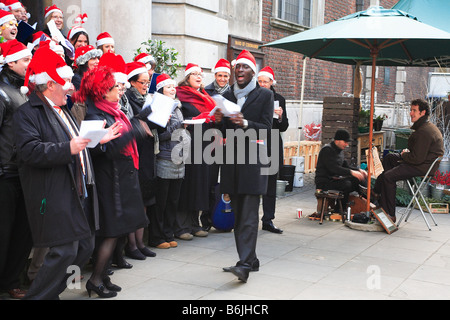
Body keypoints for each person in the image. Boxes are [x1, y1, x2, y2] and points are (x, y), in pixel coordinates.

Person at [14, 46, 117, 300]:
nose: (72, 87)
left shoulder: (63, 109)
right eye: (66, 82)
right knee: (65, 250)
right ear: (50, 85)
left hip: (76, 189)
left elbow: (77, 144)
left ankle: (51, 292)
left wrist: (97, 140)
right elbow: (29, 152)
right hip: (53, 192)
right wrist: (67, 147)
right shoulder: (27, 114)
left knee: (84, 247)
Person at [72, 65, 151, 298]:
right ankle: (95, 280)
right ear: (102, 92)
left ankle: (103, 277)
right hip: (110, 180)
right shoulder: (96, 114)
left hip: (121, 178)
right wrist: (135, 131)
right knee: (111, 232)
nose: (120, 90)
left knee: (116, 231)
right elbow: (103, 150)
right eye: (115, 87)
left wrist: (139, 121)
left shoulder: (112, 110)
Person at [216, 50, 274, 283]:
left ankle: (244, 264)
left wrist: (246, 122)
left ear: (253, 71)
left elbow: (268, 127)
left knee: (249, 215)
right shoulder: (227, 94)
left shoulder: (264, 95)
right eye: (237, 67)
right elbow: (222, 131)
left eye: (244, 68)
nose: (239, 71)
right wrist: (217, 120)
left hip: (253, 160)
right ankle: (253, 259)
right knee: (239, 215)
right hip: (232, 160)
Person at [373, 99, 444, 222]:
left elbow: (416, 158)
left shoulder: (424, 132)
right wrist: (405, 154)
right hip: (421, 161)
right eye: (411, 110)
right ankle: (378, 194)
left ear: (423, 113)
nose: (411, 113)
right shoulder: (425, 126)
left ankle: (390, 214)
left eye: (414, 111)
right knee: (389, 158)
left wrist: (405, 154)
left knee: (389, 176)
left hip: (422, 166)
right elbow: (418, 154)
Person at [0, 39, 32, 299]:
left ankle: (12, 279)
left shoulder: (23, 90)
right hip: (5, 174)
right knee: (4, 232)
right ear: (11, 62)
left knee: (23, 231)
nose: (28, 64)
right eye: (25, 60)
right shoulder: (2, 92)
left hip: (24, 172)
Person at [175, 63, 217, 240]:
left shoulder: (205, 95)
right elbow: (179, 119)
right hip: (188, 143)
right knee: (188, 184)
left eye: (200, 74)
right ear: (187, 78)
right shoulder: (180, 95)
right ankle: (182, 226)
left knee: (200, 184)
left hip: (205, 143)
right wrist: (195, 118)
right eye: (194, 74)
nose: (199, 77)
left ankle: (194, 223)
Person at [151, 74, 190, 249]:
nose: (173, 89)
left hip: (179, 159)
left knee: (173, 201)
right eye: (169, 87)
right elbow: (159, 136)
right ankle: (157, 237)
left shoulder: (177, 108)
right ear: (161, 90)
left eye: (174, 87)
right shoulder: (158, 107)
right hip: (165, 159)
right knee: (162, 201)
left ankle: (169, 233)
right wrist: (178, 126)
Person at [124, 61, 158, 260]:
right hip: (135, 152)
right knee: (135, 201)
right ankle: (132, 245)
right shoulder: (129, 98)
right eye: (143, 82)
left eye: (148, 81)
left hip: (147, 152)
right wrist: (143, 116)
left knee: (145, 199)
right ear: (132, 82)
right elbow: (130, 124)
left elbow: (155, 127)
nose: (146, 85)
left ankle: (140, 242)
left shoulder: (147, 98)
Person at [257, 66, 289, 234]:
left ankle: (268, 219)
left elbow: (283, 127)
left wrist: (281, 115)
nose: (262, 84)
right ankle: (249, 219)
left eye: (265, 81)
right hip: (257, 142)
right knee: (254, 181)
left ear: (271, 82)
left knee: (270, 183)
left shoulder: (279, 99)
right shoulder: (252, 97)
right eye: (260, 81)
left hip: (273, 143)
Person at [201, 58, 231, 230]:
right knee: (210, 181)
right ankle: (207, 219)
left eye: (225, 76)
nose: (222, 79)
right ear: (215, 75)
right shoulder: (206, 91)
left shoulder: (233, 92)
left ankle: (224, 216)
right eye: (220, 75)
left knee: (226, 180)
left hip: (228, 141)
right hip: (212, 140)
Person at [314, 129, 367, 216]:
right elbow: (333, 169)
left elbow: (345, 166)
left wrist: (358, 170)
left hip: (333, 180)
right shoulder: (327, 150)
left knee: (357, 179)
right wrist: (351, 172)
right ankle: (339, 209)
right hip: (324, 182)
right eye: (345, 142)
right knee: (347, 184)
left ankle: (369, 201)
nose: (347, 145)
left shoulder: (340, 151)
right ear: (337, 140)